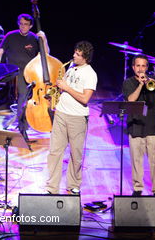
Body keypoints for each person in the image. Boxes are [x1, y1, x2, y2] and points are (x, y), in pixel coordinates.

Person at [46, 41, 97, 195]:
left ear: (85, 57)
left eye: (77, 54)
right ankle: (51, 187)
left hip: (77, 117)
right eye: (75, 52)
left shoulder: (90, 74)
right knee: (55, 151)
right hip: (61, 113)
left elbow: (85, 99)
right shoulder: (71, 67)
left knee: (76, 154)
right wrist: (56, 91)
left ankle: (73, 184)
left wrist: (66, 88)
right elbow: (65, 89)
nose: (73, 55)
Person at [0, 13, 49, 141]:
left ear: (30, 26)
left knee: (25, 97)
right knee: (20, 96)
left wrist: (44, 39)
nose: (23, 27)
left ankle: (23, 123)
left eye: (26, 25)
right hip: (13, 72)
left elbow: (46, 54)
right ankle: (21, 124)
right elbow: (0, 51)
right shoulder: (10, 35)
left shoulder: (34, 38)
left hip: (29, 73)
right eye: (21, 24)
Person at [122, 54, 155, 196]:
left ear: (147, 67)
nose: (141, 69)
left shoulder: (153, 81)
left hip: (153, 125)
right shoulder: (128, 83)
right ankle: (138, 188)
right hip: (136, 125)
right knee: (136, 160)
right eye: (138, 66)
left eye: (143, 66)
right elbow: (131, 100)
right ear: (133, 67)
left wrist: (154, 83)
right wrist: (141, 85)